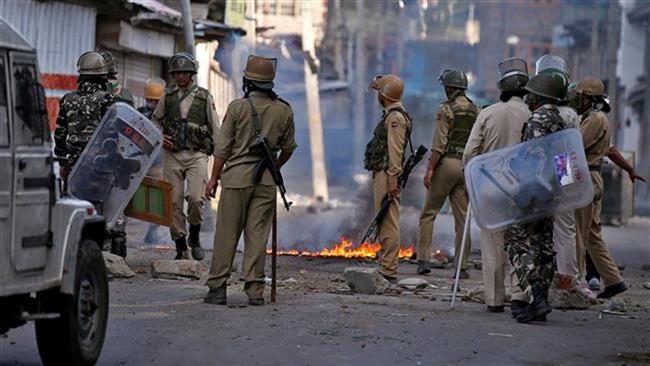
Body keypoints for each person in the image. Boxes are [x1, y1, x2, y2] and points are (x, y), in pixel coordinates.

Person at [203, 55, 297, 306]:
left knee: (226, 234)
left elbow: (222, 149)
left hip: (235, 180)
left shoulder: (237, 108)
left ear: (247, 80)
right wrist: (275, 166)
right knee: (257, 236)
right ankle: (255, 291)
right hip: (266, 182)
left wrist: (213, 179)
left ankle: (217, 289)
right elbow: (289, 148)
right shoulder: (284, 109)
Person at [463, 57, 530, 313]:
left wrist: (471, 182)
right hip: (523, 189)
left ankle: (493, 299)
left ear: (502, 89)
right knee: (520, 243)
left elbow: (470, 153)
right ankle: (519, 294)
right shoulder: (533, 114)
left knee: (493, 245)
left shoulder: (488, 113)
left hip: (490, 189)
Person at [504, 74, 567, 323]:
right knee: (543, 246)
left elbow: (532, 160)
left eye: (531, 94)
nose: (528, 97)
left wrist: (516, 165)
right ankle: (540, 302)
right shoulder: (560, 120)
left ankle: (536, 296)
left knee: (515, 239)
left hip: (532, 191)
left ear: (540, 95)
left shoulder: (538, 119)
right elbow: (563, 163)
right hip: (551, 192)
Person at [54, 51, 126, 256]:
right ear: (103, 77)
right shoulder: (109, 100)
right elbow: (116, 134)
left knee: (76, 208)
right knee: (109, 207)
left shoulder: (67, 100)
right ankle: (112, 250)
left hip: (75, 165)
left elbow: (59, 134)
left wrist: (62, 160)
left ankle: (75, 249)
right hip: (102, 165)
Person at [151, 52, 220, 260]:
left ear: (192, 73)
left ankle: (195, 236)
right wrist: (160, 136)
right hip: (172, 155)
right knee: (173, 202)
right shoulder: (168, 95)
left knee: (196, 198)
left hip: (197, 154)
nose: (181, 76)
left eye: (185, 72)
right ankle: (180, 246)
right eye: (177, 72)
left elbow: (216, 129)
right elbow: (156, 120)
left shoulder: (204, 96)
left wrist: (221, 161)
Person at [417, 69, 477, 278]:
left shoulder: (445, 109)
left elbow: (438, 144)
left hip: (448, 164)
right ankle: (462, 267)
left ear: (450, 88)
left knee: (428, 214)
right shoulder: (475, 110)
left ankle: (423, 260)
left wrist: (430, 169)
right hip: (466, 167)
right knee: (462, 221)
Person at [573, 76, 629, 299]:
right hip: (591, 177)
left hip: (587, 177)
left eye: (581, 96)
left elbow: (574, 146)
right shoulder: (591, 117)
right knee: (591, 235)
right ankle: (614, 281)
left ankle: (575, 283)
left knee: (578, 234)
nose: (578, 100)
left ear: (590, 98)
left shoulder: (595, 119)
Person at [363, 74, 411, 282]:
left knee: (388, 221)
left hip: (386, 174)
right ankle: (386, 264)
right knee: (385, 220)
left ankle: (389, 269)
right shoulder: (391, 115)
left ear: (385, 95)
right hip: (383, 173)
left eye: (379, 92)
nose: (378, 96)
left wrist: (392, 179)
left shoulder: (394, 118)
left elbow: (395, 151)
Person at [138, 77, 166, 244]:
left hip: (156, 164)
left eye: (154, 101)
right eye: (149, 100)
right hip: (140, 163)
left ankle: (152, 230)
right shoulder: (140, 113)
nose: (151, 103)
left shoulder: (167, 116)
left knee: (156, 197)